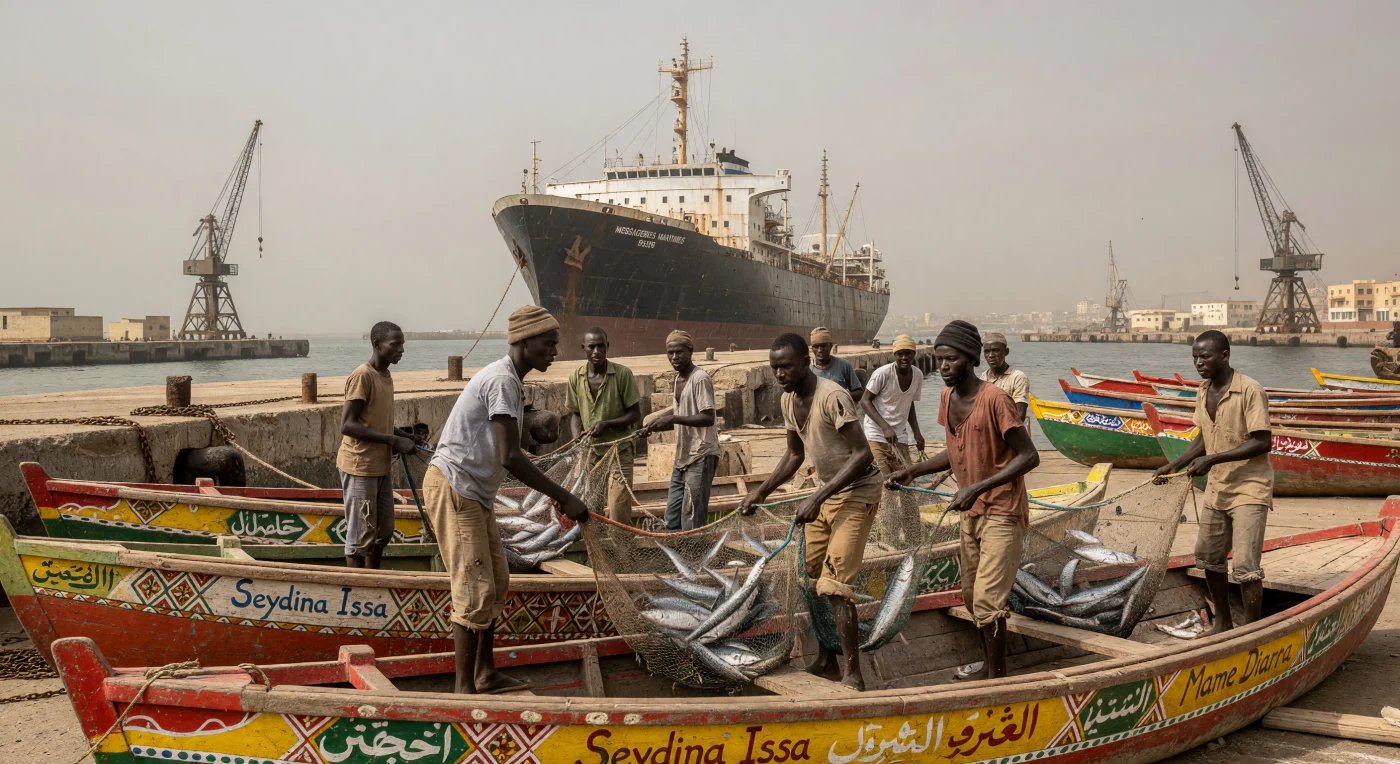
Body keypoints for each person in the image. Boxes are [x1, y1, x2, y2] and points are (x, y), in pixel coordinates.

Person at [424, 305, 590, 694]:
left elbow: (511, 449)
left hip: (475, 493)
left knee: (496, 582)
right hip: (455, 488)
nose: (553, 351)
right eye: (548, 344)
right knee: (473, 589)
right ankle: (464, 689)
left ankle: (484, 673)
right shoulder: (502, 381)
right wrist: (563, 496)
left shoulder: (513, 382)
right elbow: (509, 457)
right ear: (525, 342)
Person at [889, 320, 1039, 680]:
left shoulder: (995, 400)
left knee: (987, 601)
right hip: (969, 512)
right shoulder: (946, 397)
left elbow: (1029, 456)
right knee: (972, 597)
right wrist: (915, 471)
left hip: (1002, 509)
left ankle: (996, 674)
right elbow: (954, 450)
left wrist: (977, 486)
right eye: (938, 359)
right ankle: (990, 664)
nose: (942, 367)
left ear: (971, 359)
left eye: (950, 359)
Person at [740, 333, 882, 690]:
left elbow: (863, 455)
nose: (780, 374)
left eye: (786, 366)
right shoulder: (789, 401)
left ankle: (854, 675)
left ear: (805, 362)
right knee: (808, 577)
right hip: (827, 492)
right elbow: (793, 456)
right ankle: (826, 659)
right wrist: (759, 493)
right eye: (774, 368)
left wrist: (816, 499)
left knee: (834, 584)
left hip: (857, 491)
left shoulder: (831, 396)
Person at [1153, 330, 1272, 634]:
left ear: (1224, 355)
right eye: (1194, 357)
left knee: (1245, 567)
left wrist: (1212, 460)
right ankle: (1223, 621)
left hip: (1249, 487)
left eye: (1204, 356)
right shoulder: (1204, 390)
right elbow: (1205, 435)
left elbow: (1262, 442)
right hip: (1218, 487)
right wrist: (1173, 464)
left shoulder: (1250, 390)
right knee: (1208, 557)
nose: (1198, 363)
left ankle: (1253, 632)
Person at [337, 321, 419, 570]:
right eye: (395, 345)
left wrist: (405, 436)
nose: (401, 350)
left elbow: (375, 421)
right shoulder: (363, 375)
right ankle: (358, 591)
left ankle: (375, 576)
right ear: (377, 344)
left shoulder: (386, 375)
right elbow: (348, 425)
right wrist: (393, 441)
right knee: (360, 537)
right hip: (360, 464)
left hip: (380, 465)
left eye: (402, 344)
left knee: (383, 531)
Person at [640, 330, 719, 531]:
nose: (674, 357)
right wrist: (655, 426)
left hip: (701, 455)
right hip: (682, 457)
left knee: (691, 519)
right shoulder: (677, 379)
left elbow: (708, 417)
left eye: (679, 352)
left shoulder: (700, 378)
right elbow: (683, 417)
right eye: (670, 353)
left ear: (690, 351)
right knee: (672, 517)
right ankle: (678, 556)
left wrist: (672, 418)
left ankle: (693, 557)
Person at [566, 327, 642, 524]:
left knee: (618, 507)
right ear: (583, 348)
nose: (596, 351)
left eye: (601, 346)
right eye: (591, 347)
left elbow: (635, 414)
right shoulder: (576, 377)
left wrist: (606, 424)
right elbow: (575, 414)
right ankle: (597, 550)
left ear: (608, 347)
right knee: (592, 507)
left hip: (619, 451)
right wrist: (576, 439)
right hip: (592, 452)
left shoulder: (622, 375)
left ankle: (622, 552)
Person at [860, 334, 925, 474]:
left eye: (908, 354)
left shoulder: (918, 375)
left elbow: (909, 405)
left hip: (899, 434)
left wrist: (917, 433)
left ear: (914, 354)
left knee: (905, 477)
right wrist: (885, 427)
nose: (904, 358)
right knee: (882, 477)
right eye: (900, 354)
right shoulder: (882, 374)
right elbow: (865, 401)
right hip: (876, 432)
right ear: (895, 355)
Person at [981, 332, 1030, 424]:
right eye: (987, 351)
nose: (991, 355)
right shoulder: (983, 377)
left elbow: (1020, 415)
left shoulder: (1017, 377)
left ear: (1006, 352)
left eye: (996, 350)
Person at [809, 326, 864, 402]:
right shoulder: (807, 369)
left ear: (831, 346)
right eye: (816, 346)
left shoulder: (844, 365)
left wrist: (841, 397)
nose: (820, 350)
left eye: (823, 346)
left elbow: (859, 392)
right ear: (812, 348)